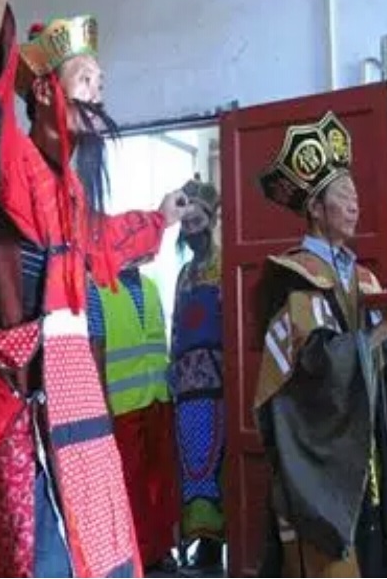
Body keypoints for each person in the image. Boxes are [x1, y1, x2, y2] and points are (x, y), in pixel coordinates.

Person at [0, 0, 192, 576]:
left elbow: (103, 239)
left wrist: (160, 219)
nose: (97, 93)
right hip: (24, 415)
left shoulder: (70, 192)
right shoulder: (13, 166)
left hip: (77, 405)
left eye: (100, 81)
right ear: (42, 92)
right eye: (85, 78)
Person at [254, 111, 387, 577]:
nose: (355, 203)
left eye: (356, 194)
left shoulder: (364, 278)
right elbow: (315, 366)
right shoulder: (294, 276)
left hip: (366, 450)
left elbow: (381, 359)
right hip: (321, 459)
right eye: (343, 194)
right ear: (315, 208)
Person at [88, 267, 179, 575]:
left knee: (162, 481)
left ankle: (162, 549)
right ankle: (139, 553)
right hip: (122, 405)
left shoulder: (152, 286)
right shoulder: (97, 289)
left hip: (158, 398)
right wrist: (102, 406)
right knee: (131, 484)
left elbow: (160, 340)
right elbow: (96, 351)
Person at [169, 176, 225, 574]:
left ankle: (213, 547)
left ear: (212, 220)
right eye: (185, 225)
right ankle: (196, 541)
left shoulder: (226, 268)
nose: (191, 232)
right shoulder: (184, 275)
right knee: (190, 466)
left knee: (214, 464)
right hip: (185, 387)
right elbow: (176, 329)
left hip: (217, 384)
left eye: (197, 222)